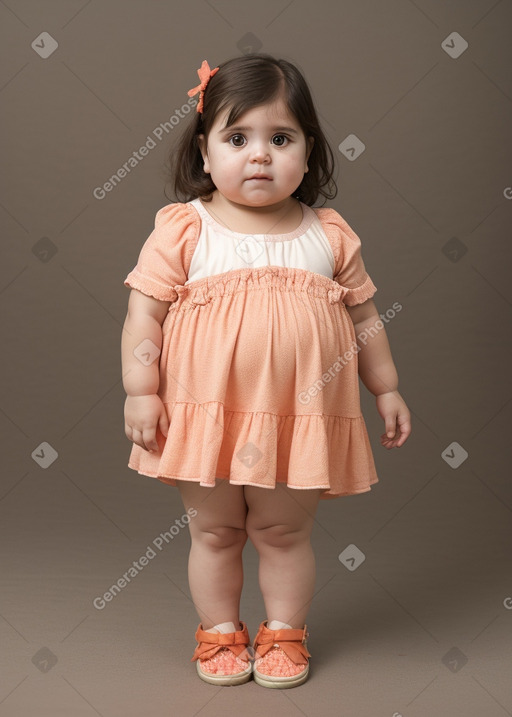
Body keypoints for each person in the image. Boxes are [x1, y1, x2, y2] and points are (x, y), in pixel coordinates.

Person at [121, 54, 411, 689]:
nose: (259, 156)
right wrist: (141, 392)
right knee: (217, 530)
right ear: (204, 152)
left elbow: (366, 320)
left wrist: (385, 387)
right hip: (209, 417)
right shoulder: (184, 230)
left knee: (283, 531)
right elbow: (143, 320)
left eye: (280, 139)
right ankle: (220, 630)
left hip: (298, 417)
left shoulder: (329, 235)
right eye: (237, 138)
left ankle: (284, 631)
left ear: (309, 154)